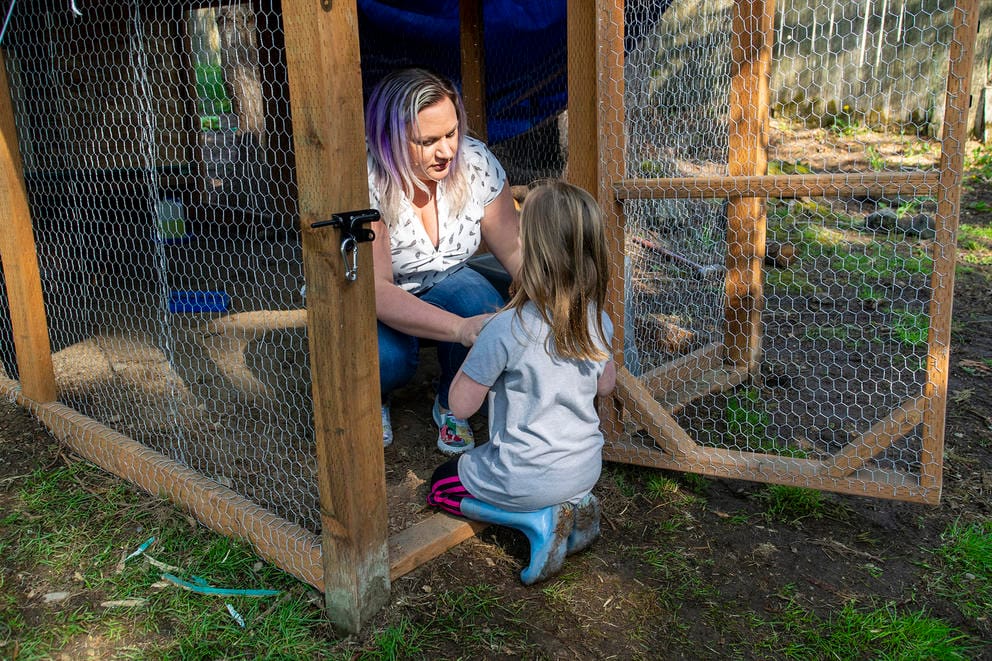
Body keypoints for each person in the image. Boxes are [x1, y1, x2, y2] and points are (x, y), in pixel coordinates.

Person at [425, 181, 617, 585]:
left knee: (439, 486)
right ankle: (574, 508)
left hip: (524, 478)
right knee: (559, 483)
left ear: (530, 251)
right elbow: (604, 387)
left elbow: (459, 408)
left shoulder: (505, 329)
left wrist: (472, 350)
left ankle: (535, 519)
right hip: (585, 470)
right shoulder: (598, 320)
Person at [365, 69, 521, 453]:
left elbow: (516, 250)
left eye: (451, 133)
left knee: (488, 310)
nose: (447, 151)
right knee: (389, 359)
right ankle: (374, 398)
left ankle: (452, 401)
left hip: (449, 276)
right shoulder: (365, 178)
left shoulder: (474, 162)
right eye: (427, 140)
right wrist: (460, 328)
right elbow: (377, 291)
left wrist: (553, 301)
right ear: (388, 139)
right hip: (382, 293)